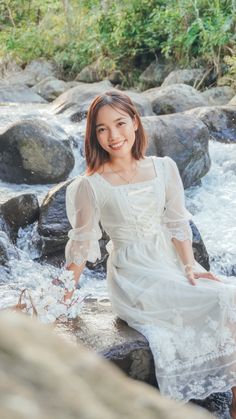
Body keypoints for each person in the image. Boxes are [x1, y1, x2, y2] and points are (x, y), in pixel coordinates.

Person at [64, 90, 236, 414]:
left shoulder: (164, 167)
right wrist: (62, 295)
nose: (113, 135)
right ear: (93, 135)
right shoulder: (89, 185)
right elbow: (81, 244)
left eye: (119, 123)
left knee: (229, 294)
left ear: (135, 122)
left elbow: (176, 224)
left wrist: (189, 266)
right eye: (102, 128)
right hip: (133, 274)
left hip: (168, 261)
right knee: (220, 300)